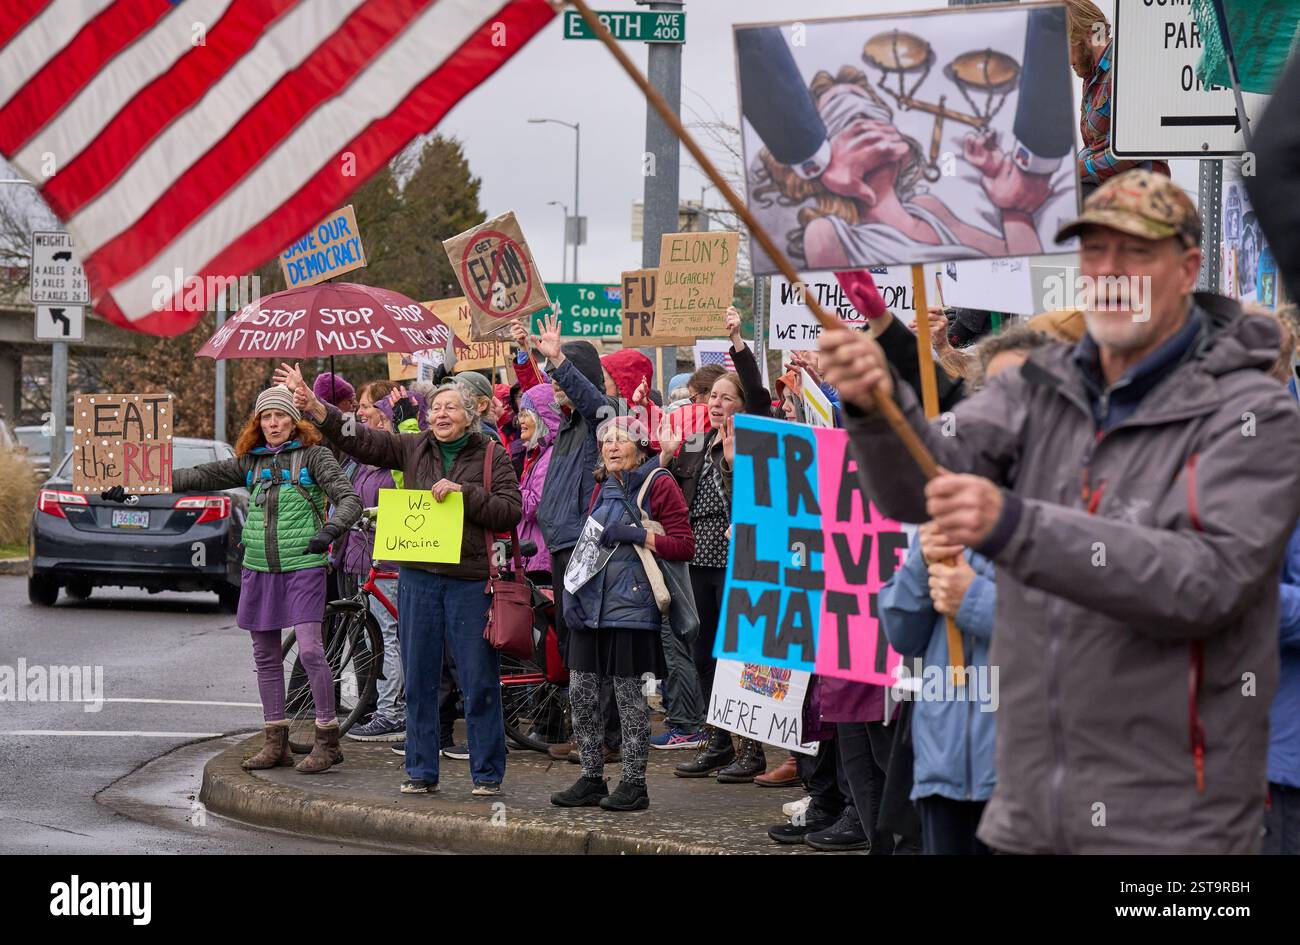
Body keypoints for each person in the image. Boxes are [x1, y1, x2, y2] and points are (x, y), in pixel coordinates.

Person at [820, 169, 1300, 853]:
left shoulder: (1249, 413)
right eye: (1094, 252)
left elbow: (1206, 580)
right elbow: (924, 482)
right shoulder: (1045, 392)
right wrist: (877, 403)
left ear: (1188, 267)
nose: (1109, 271)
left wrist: (1015, 525)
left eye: (1135, 252)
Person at [280, 365, 523, 797]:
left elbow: (509, 510)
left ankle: (487, 775)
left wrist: (466, 495)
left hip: (469, 582)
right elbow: (362, 438)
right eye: (436, 408)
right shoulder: (413, 448)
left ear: (471, 414)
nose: (441, 414)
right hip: (418, 578)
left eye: (451, 407)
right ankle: (421, 771)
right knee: (419, 676)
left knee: (477, 678)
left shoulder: (492, 455)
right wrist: (317, 408)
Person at [104, 386, 362, 773]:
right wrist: (137, 485)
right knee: (265, 655)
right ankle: (276, 741)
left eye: (280, 415)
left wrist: (330, 530)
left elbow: (350, 499)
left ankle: (328, 738)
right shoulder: (250, 462)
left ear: (294, 419)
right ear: (258, 423)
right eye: (266, 417)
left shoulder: (315, 456)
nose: (273, 423)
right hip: (258, 568)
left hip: (303, 565)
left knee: (310, 649)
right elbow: (197, 476)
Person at [549, 416, 694, 812]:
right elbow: (588, 550)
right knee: (580, 694)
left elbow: (683, 546)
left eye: (621, 439)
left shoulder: (658, 483)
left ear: (641, 446)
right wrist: (571, 594)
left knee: (630, 700)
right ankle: (592, 778)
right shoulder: (603, 486)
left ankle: (634, 784)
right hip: (590, 609)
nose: (611, 446)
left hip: (631, 611)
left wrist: (639, 535)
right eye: (606, 440)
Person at [663, 307, 772, 781]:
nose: (716, 403)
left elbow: (756, 500)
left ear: (744, 405)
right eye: (712, 397)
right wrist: (664, 457)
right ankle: (717, 741)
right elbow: (664, 490)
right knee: (704, 649)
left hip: (739, 559)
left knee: (739, 653)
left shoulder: (757, 438)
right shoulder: (694, 444)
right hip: (699, 560)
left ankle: (751, 749)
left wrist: (738, 344)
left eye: (728, 397)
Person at [339, 381, 421, 743]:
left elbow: (411, 489)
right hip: (363, 556)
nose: (361, 411)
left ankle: (392, 713)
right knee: (375, 638)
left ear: (386, 414)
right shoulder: (365, 458)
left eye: (368, 405)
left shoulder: (398, 456)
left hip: (392, 557)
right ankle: (383, 707)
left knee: (387, 636)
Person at [1066, 0, 1170, 199]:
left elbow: (1135, 149)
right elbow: (1097, 146)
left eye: (1066, 47)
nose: (1066, 59)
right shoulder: (1093, 76)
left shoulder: (1125, 65)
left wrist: (1079, 167)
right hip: (1110, 189)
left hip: (1139, 193)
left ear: (1087, 34)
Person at [516, 383, 563, 580]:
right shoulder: (538, 454)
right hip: (532, 552)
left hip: (539, 556)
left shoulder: (550, 455)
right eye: (520, 414)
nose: (521, 421)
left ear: (543, 418)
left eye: (527, 414)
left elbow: (535, 506)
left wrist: (508, 489)